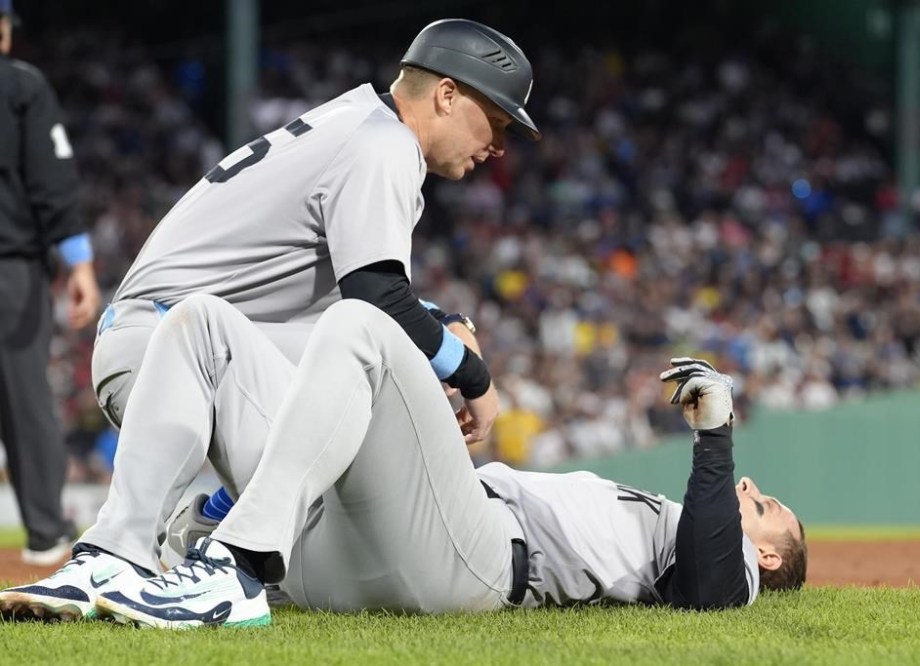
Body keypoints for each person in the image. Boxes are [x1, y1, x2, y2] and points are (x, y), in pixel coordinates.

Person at [0, 297, 806, 626]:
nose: (749, 490)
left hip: (480, 561)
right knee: (202, 324)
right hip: (364, 547)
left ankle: (229, 566)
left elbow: (708, 591)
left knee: (360, 321)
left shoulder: (730, 566)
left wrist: (715, 435)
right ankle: (112, 557)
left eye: (765, 508)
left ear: (766, 553)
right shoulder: (680, 521)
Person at [81, 17, 538, 548]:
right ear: (446, 94)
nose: (499, 146)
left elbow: (363, 297)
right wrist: (475, 377)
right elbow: (378, 300)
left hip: (165, 343)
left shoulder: (360, 122)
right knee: (347, 487)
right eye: (498, 122)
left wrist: (446, 322)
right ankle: (141, 549)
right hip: (167, 355)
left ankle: (208, 528)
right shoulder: (383, 144)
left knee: (376, 374)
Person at [0, 0, 100, 566]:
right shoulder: (20, 84)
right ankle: (44, 536)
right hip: (8, 268)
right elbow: (51, 176)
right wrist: (79, 260)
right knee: (25, 400)